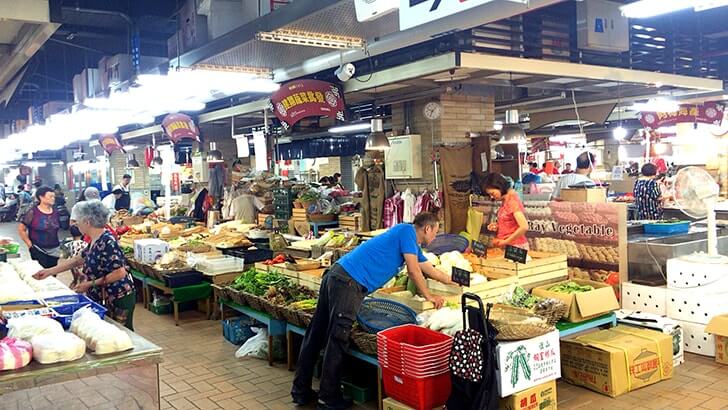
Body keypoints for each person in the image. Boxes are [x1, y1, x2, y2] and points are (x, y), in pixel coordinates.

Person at [292, 213, 454, 409]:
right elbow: (413, 270)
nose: (435, 238)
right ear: (427, 229)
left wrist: (453, 281)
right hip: (348, 283)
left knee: (316, 333)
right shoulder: (406, 231)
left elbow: (429, 269)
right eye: (435, 233)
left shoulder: (410, 242)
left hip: (338, 276)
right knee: (337, 339)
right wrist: (429, 296)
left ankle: (300, 391)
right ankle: (328, 397)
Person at [33, 200, 136, 330]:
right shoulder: (95, 239)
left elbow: (119, 273)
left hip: (118, 297)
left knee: (121, 333)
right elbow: (78, 260)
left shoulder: (107, 241)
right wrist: (48, 271)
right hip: (104, 296)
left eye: (78, 221)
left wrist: (90, 284)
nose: (76, 225)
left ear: (87, 222)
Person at [481, 173, 529, 250]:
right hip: (508, 245)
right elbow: (510, 222)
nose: (492, 197)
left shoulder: (512, 201)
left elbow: (524, 227)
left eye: (492, 193)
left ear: (499, 187)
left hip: (516, 247)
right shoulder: (505, 201)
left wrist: (506, 241)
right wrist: (498, 225)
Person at [18, 186, 60, 268]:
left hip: (54, 249)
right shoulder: (32, 212)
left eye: (53, 197)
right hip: (38, 249)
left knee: (52, 273)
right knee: (41, 273)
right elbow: (21, 229)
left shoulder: (55, 212)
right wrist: (30, 245)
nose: (53, 199)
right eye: (50, 196)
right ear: (41, 197)